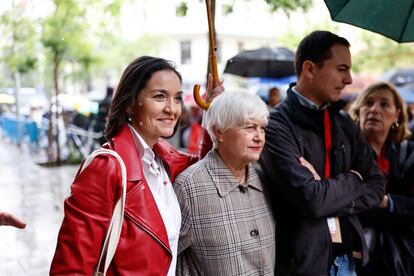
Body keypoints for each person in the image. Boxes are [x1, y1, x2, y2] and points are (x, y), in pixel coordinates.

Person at [50, 56, 224, 275]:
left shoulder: (165, 159)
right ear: (131, 104)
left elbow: (206, 168)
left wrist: (213, 108)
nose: (172, 108)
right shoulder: (105, 167)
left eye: (177, 98)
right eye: (160, 96)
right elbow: (71, 268)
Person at [260, 30, 385, 276]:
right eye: (341, 69)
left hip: (349, 260)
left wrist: (326, 191)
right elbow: (311, 200)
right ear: (309, 69)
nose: (349, 79)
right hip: (302, 265)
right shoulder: (275, 126)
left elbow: (378, 184)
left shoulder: (345, 123)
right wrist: (355, 179)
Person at [174, 91, 275, 275]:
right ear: (219, 131)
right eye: (250, 127)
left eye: (263, 128)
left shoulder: (263, 180)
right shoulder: (189, 187)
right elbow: (167, 261)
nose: (259, 137)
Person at [349, 82, 414, 275]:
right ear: (358, 111)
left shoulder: (408, 154)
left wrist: (387, 201)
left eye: (384, 104)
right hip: (355, 259)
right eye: (368, 103)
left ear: (397, 116)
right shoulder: (345, 154)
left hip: (400, 259)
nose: (374, 110)